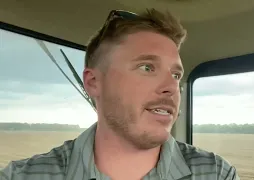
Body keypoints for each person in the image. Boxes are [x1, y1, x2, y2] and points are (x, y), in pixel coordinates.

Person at [0, 8, 240, 180]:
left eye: (176, 75)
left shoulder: (216, 173)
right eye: (147, 67)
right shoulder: (21, 176)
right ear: (94, 82)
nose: (171, 86)